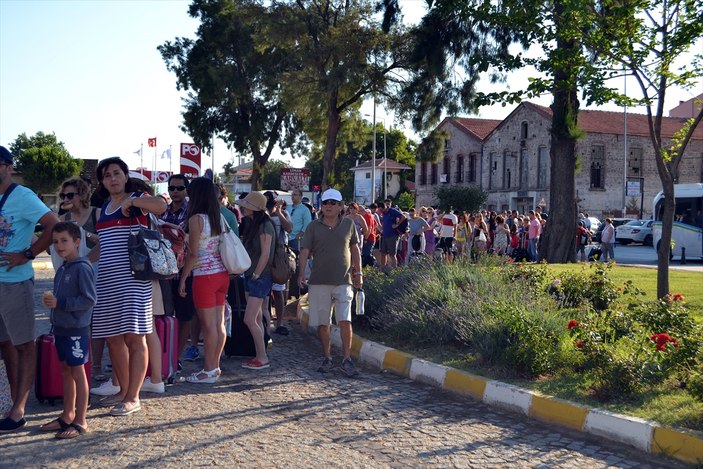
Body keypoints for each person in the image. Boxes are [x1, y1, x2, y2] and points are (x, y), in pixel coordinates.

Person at [91, 157, 166, 416]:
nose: (112, 178)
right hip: (107, 282)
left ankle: (133, 397)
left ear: (125, 175)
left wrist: (132, 201)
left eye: (116, 173)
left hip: (135, 280)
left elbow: (161, 205)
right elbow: (104, 245)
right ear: (102, 181)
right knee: (113, 338)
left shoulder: (136, 200)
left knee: (135, 337)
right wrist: (80, 263)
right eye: (107, 175)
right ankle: (123, 390)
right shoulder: (103, 208)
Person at [0, 146, 60, 432]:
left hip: (15, 282)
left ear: (9, 167)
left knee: (24, 344)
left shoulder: (22, 196)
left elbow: (53, 224)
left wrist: (29, 253)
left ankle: (19, 410)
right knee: (6, 344)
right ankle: (12, 404)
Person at [39, 222, 96, 439]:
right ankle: (67, 414)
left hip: (76, 329)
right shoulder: (63, 268)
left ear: (77, 242)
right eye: (55, 242)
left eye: (64, 241)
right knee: (66, 370)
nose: (59, 245)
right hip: (61, 328)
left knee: (78, 372)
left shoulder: (82, 267)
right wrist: (53, 303)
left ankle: (81, 420)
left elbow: (89, 299)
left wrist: (61, 303)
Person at [297, 189, 362, 377]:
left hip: (343, 280)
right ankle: (327, 357)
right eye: (325, 203)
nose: (329, 206)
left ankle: (347, 359)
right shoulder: (313, 227)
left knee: (345, 320)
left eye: (333, 203)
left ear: (341, 206)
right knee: (323, 323)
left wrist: (359, 272)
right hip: (319, 282)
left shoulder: (349, 224)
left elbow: (355, 249)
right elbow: (305, 251)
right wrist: (301, 273)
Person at [178, 177, 230, 383]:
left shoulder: (196, 219)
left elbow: (193, 254)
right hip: (221, 274)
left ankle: (208, 370)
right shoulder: (217, 216)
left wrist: (183, 279)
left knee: (208, 327)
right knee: (218, 325)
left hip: (204, 276)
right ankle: (214, 367)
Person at [53, 177, 104, 380]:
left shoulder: (96, 213)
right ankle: (84, 366)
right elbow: (55, 247)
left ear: (82, 194)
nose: (66, 198)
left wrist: (85, 260)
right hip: (72, 275)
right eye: (63, 195)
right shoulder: (63, 218)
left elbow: (104, 241)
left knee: (96, 321)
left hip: (95, 271)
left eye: (70, 194)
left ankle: (97, 366)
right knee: (79, 321)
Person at [234, 192, 274, 370]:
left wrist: (257, 274)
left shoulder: (265, 225)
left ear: (254, 208)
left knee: (250, 319)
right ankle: (260, 354)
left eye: (245, 205)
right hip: (253, 275)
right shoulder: (253, 224)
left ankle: (262, 356)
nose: (242, 208)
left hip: (260, 277)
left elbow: (265, 254)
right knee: (255, 318)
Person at [264, 191, 292, 336]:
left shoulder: (283, 214)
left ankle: (279, 323)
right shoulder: (262, 215)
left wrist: (279, 212)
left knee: (278, 290)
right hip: (265, 254)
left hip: (278, 255)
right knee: (265, 292)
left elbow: (289, 228)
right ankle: (266, 322)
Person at [378, 199, 406, 269]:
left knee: (392, 254)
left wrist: (397, 224)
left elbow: (403, 217)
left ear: (384, 207)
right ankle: (383, 268)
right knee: (383, 253)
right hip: (385, 235)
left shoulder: (392, 211)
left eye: (381, 210)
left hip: (393, 235)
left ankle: (394, 269)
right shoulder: (383, 214)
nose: (381, 211)